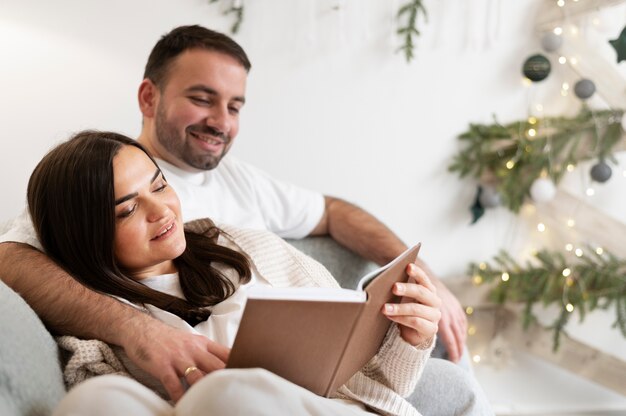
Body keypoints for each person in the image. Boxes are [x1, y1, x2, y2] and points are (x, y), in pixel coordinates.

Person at [0, 25, 491, 415]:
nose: (222, 120)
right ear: (149, 98)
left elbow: (334, 216)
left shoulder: (241, 223)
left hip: (301, 398)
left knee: (229, 396)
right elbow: (10, 259)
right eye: (202, 98)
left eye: (234, 105)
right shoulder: (76, 190)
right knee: (95, 402)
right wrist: (135, 330)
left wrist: (418, 316)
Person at [29, 130, 441, 415]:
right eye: (128, 209)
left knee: (225, 393)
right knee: (97, 400)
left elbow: (371, 382)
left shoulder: (244, 247)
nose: (162, 211)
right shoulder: (91, 319)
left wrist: (412, 339)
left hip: (322, 408)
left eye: (158, 186)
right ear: (83, 235)